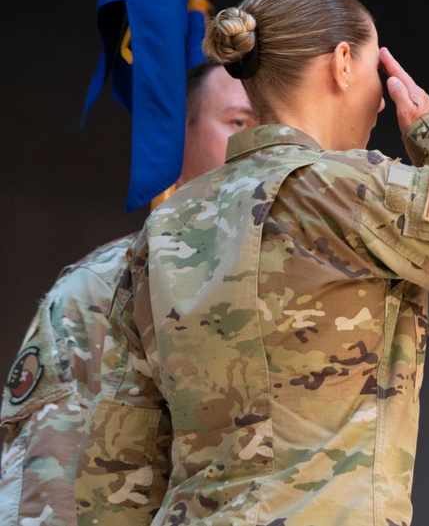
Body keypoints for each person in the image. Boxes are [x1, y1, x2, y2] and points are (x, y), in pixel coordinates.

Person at [75, 0, 429, 526]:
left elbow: (120, 451)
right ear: (341, 63)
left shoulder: (166, 224)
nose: (382, 98)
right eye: (373, 72)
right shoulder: (355, 188)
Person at [0, 61, 256, 526]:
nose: (262, 144)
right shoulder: (110, 285)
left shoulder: (340, 267)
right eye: (240, 123)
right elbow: (51, 495)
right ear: (179, 136)